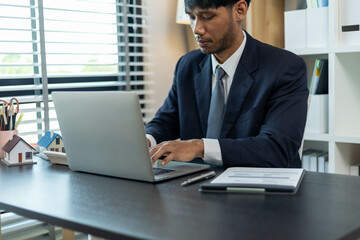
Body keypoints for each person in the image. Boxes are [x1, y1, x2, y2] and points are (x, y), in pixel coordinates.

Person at [145, 0, 308, 168]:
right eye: (192, 17)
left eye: (207, 17)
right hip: (195, 184)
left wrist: (200, 147)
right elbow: (166, 121)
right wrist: (147, 140)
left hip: (259, 186)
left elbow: (277, 149)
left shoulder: (284, 68)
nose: (196, 29)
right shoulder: (187, 65)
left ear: (240, 10)